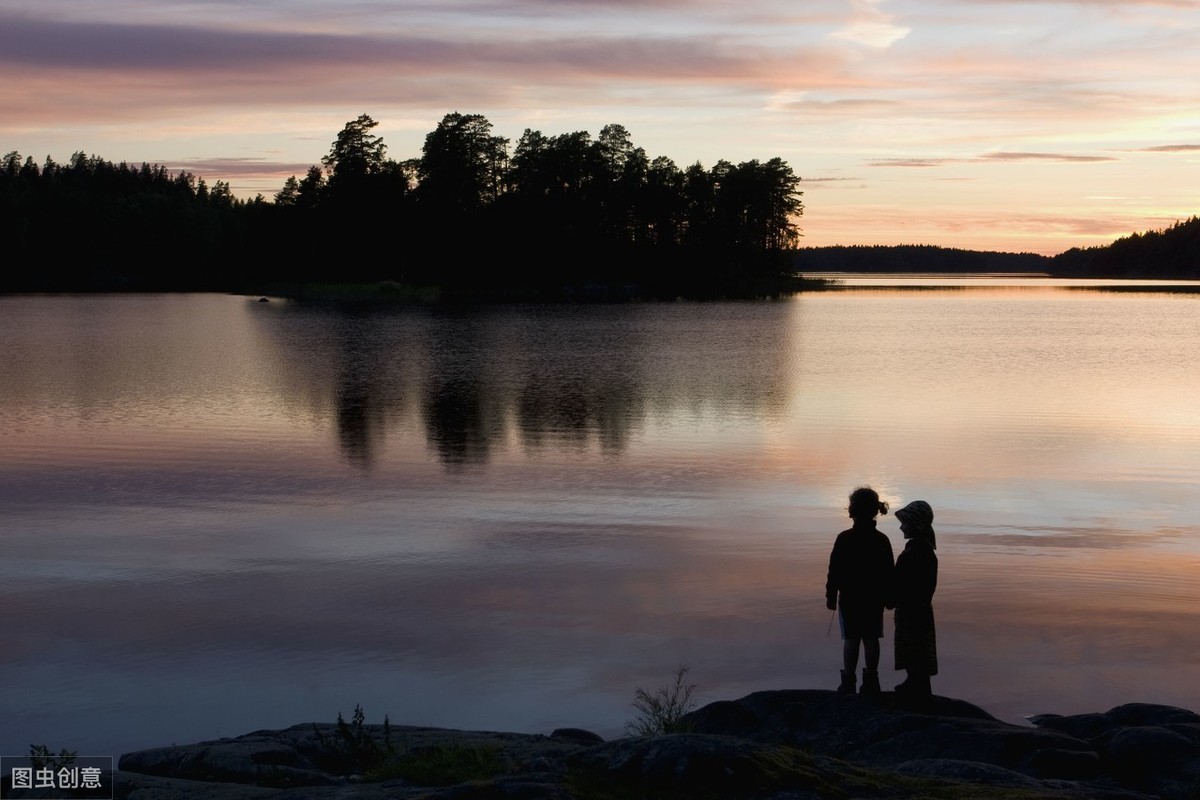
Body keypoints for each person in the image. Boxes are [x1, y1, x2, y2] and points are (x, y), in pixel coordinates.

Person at [825, 487, 895, 695]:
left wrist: (830, 595)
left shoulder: (844, 538)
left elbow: (834, 570)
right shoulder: (882, 540)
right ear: (875, 511)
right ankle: (872, 680)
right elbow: (888, 572)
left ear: (852, 510)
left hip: (850, 598)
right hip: (874, 598)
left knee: (852, 639)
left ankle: (848, 681)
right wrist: (890, 597)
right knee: (872, 637)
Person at [892, 500, 938, 697]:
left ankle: (916, 685)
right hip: (920, 608)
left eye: (905, 522)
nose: (901, 526)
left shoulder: (915, 553)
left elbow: (900, 581)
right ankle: (916, 682)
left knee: (913, 646)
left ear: (916, 525)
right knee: (916, 647)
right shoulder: (924, 550)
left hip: (911, 609)